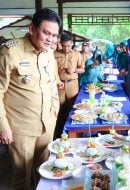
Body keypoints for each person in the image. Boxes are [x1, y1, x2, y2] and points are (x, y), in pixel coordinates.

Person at [0, 8, 61, 190]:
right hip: (21, 128)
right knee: (22, 175)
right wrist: (3, 126)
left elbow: (52, 85)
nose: (50, 39)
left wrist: (55, 112)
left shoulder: (49, 53)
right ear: (32, 29)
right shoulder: (10, 53)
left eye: (54, 35)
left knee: (45, 171)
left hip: (47, 125)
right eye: (46, 33)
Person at [54, 34, 84, 139]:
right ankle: (58, 133)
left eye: (68, 46)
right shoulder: (55, 54)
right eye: (64, 46)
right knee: (59, 109)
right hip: (59, 85)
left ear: (71, 44)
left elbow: (82, 69)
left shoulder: (77, 54)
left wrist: (74, 70)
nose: (66, 48)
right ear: (60, 44)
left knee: (73, 108)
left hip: (72, 84)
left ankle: (73, 134)